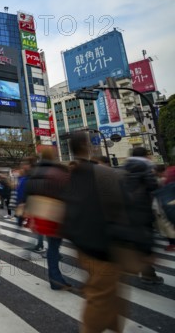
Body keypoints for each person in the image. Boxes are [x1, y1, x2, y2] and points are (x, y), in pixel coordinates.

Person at [61, 131, 136, 333]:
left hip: (81, 244)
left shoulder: (69, 174)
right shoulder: (103, 173)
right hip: (104, 245)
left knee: (110, 296)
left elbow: (63, 210)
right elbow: (125, 207)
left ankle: (112, 326)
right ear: (87, 146)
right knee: (102, 298)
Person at [24, 147, 72, 291]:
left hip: (40, 213)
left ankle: (55, 278)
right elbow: (68, 191)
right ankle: (56, 279)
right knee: (54, 247)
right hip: (57, 213)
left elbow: (29, 191)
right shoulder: (58, 172)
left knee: (52, 246)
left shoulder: (35, 172)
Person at [122, 147, 162, 285]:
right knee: (146, 240)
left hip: (126, 209)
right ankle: (148, 273)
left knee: (134, 240)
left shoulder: (123, 168)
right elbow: (153, 186)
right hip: (142, 208)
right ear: (145, 155)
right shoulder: (145, 166)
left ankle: (142, 269)